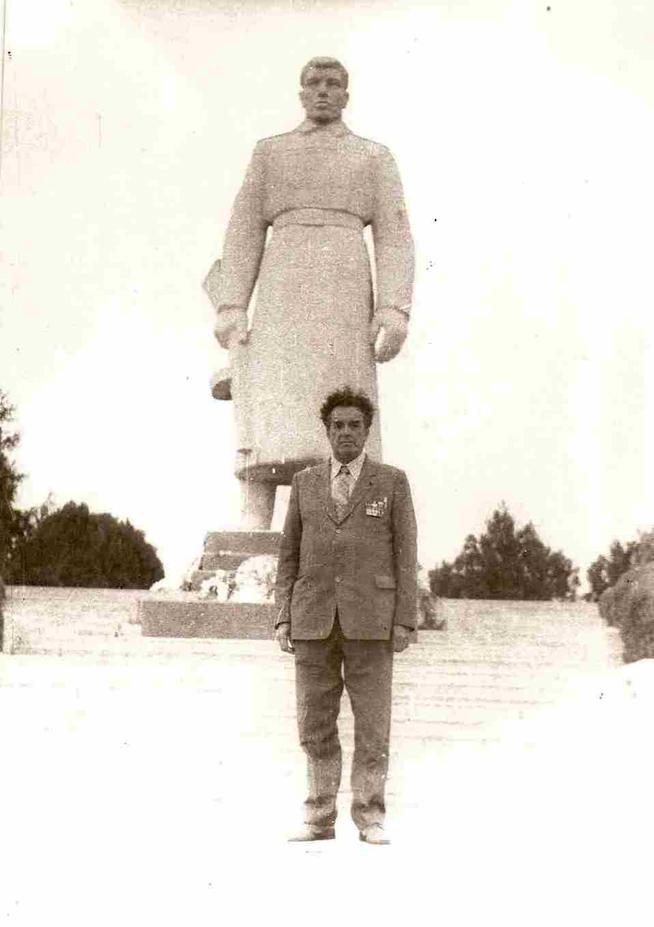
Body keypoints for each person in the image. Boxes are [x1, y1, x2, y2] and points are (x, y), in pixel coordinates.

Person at [205, 57, 414, 530]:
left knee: (341, 400)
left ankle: (341, 519)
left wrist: (394, 308)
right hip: (283, 285)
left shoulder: (373, 157)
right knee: (271, 397)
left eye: (333, 84)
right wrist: (232, 303)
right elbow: (244, 229)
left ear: (346, 94)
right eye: (314, 83)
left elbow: (395, 234)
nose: (323, 91)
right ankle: (254, 519)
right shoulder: (270, 153)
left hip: (344, 287)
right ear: (301, 92)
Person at [274, 387, 417, 844]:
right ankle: (318, 816)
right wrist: (283, 615)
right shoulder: (305, 483)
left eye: (355, 425)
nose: (346, 433)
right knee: (314, 722)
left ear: (367, 431)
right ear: (327, 430)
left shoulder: (392, 482)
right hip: (314, 618)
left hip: (371, 621)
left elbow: (405, 554)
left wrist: (403, 620)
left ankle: (370, 815)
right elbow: (288, 554)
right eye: (338, 425)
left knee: (373, 724)